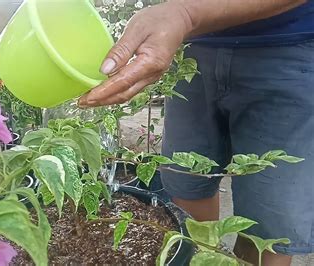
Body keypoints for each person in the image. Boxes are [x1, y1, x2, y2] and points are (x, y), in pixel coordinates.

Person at [79, 1, 314, 265]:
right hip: (191, 47)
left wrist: (185, 14)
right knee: (185, 188)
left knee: (270, 221)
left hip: (289, 44)